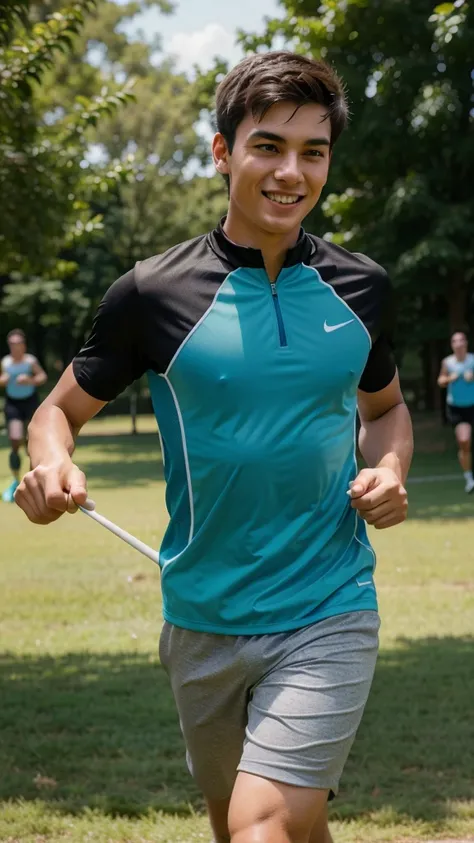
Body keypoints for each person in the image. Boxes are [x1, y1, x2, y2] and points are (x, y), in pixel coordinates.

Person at [15, 52, 413, 843]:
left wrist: (391, 465)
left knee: (264, 822)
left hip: (328, 605)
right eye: (268, 146)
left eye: (314, 151)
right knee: (263, 828)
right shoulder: (151, 294)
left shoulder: (361, 287)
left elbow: (389, 408)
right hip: (202, 616)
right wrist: (51, 462)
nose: (291, 172)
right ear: (222, 152)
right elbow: (55, 412)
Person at [0, 329, 47, 502]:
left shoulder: (30, 361)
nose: (15, 346)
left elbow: (42, 376)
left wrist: (30, 380)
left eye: (18, 343)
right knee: (14, 439)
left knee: (32, 441)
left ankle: (35, 482)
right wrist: (3, 381)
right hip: (13, 404)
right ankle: (15, 481)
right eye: (12, 344)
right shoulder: (5, 362)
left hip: (30, 402)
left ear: (23, 345)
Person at [437, 330, 474, 493]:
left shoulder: (473, 360)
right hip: (457, 408)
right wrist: (450, 378)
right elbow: (441, 381)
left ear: (466, 343)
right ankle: (469, 479)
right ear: (452, 345)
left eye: (461, 340)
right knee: (464, 441)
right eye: (455, 341)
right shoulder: (448, 362)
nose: (458, 344)